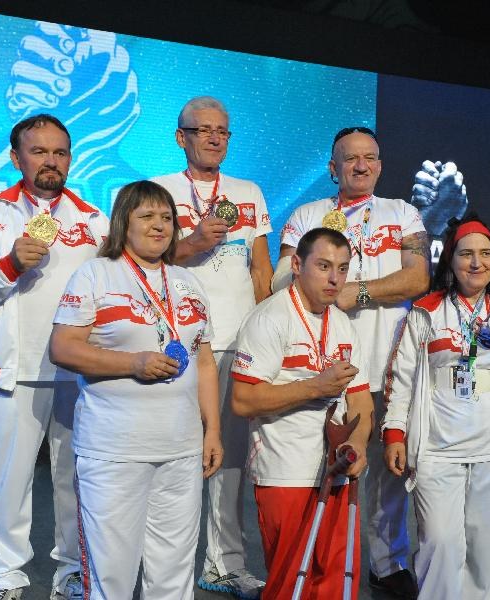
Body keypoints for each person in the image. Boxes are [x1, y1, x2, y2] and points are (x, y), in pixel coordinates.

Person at [275, 126, 446, 597]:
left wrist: (359, 291)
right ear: (333, 167)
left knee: (390, 469)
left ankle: (387, 564)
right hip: (325, 367)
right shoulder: (308, 214)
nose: (361, 165)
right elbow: (278, 281)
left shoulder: (402, 213)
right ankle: (319, 562)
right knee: (323, 466)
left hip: (392, 365)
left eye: (370, 157)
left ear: (381, 165)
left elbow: (417, 277)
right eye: (350, 159)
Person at [0, 114, 109, 600]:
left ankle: (71, 569)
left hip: (76, 372)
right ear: (17, 158)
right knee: (9, 480)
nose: (50, 161)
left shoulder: (94, 220)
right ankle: (5, 572)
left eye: (59, 152)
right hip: (14, 371)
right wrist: (11, 263)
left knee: (74, 478)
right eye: (38, 152)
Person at [48, 180, 223, 599]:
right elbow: (62, 347)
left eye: (166, 217)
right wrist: (134, 363)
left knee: (175, 568)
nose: (159, 226)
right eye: (147, 216)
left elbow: (203, 360)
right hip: (114, 449)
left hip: (180, 448)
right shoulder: (95, 273)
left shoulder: (187, 282)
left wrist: (212, 429)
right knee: (112, 572)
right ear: (123, 222)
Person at [382, 216, 490, 599]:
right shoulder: (425, 311)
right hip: (439, 450)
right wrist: (394, 433)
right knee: (440, 544)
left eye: (485, 254)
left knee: (488, 553)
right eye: (467, 254)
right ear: (451, 261)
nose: (477, 263)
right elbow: (401, 379)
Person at [151, 96, 272, 598]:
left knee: (230, 462)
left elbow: (261, 267)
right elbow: (144, 253)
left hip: (239, 340)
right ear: (181, 137)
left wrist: (268, 329)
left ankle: (222, 564)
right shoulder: (158, 190)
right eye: (203, 130)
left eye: (223, 130)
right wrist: (195, 242)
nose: (214, 137)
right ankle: (163, 566)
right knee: (176, 455)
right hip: (177, 341)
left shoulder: (248, 191)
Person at [232, 227, 374, 599]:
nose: (334, 278)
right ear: (296, 264)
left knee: (332, 581)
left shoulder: (342, 323)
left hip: (337, 470)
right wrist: (315, 387)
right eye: (324, 265)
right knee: (291, 584)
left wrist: (357, 445)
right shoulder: (269, 318)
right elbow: (243, 400)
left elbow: (361, 402)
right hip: (285, 471)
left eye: (343, 269)